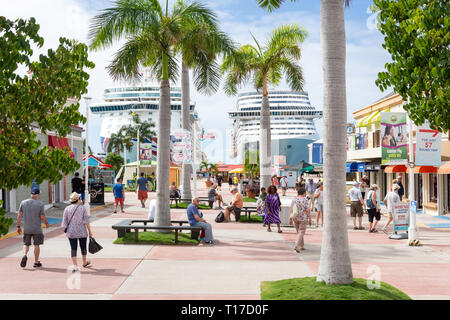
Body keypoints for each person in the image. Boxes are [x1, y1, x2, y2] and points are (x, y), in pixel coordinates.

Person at [17, 189, 49, 268]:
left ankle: (24, 255)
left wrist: (18, 226)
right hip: (37, 228)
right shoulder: (40, 204)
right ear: (37, 195)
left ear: (31, 194)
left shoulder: (23, 202)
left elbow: (19, 215)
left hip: (27, 227)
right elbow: (42, 216)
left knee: (26, 244)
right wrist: (46, 224)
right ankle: (36, 262)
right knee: (36, 245)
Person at [61, 192, 93, 272]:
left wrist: (65, 230)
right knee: (83, 247)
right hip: (82, 231)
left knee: (73, 248)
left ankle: (75, 266)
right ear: (78, 200)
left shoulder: (67, 209)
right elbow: (86, 221)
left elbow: (64, 222)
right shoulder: (82, 208)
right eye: (79, 198)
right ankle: (84, 262)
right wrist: (90, 231)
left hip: (71, 231)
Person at [290, 187, 312, 252]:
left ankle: (301, 246)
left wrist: (290, 218)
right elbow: (307, 210)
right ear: (304, 193)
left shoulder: (294, 199)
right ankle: (297, 245)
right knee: (301, 232)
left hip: (295, 217)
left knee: (299, 232)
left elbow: (291, 209)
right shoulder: (305, 200)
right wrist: (310, 219)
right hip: (303, 218)